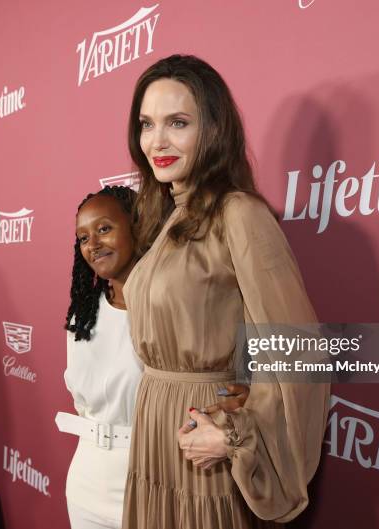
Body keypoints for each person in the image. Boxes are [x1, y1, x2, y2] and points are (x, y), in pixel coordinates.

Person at [121, 54, 331, 528]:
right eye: (146, 124)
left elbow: (299, 349)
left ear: (213, 128)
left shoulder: (238, 213)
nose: (157, 141)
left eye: (178, 123)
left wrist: (237, 434)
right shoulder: (163, 216)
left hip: (204, 442)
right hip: (156, 432)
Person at [55, 186, 249, 529]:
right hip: (87, 481)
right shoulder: (81, 318)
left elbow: (208, 381)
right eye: (83, 237)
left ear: (137, 227)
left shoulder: (175, 310)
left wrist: (243, 402)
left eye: (104, 229)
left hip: (157, 475)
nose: (93, 244)